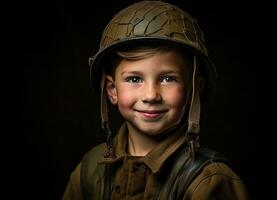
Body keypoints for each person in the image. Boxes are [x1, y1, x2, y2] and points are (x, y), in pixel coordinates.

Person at [62, 0, 249, 199]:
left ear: (194, 89)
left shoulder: (208, 181)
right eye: (134, 79)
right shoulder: (90, 171)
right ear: (112, 90)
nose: (151, 95)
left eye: (168, 79)